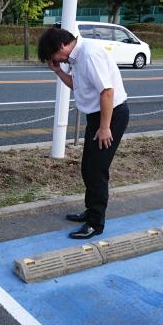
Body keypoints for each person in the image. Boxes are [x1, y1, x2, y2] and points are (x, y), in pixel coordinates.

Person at [38, 27, 129, 239]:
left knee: (97, 170)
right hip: (98, 116)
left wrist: (105, 127)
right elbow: (77, 86)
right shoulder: (77, 59)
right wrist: (59, 71)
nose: (55, 60)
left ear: (61, 46)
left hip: (111, 115)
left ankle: (95, 223)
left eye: (53, 56)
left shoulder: (89, 55)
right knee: (88, 168)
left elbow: (107, 91)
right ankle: (91, 211)